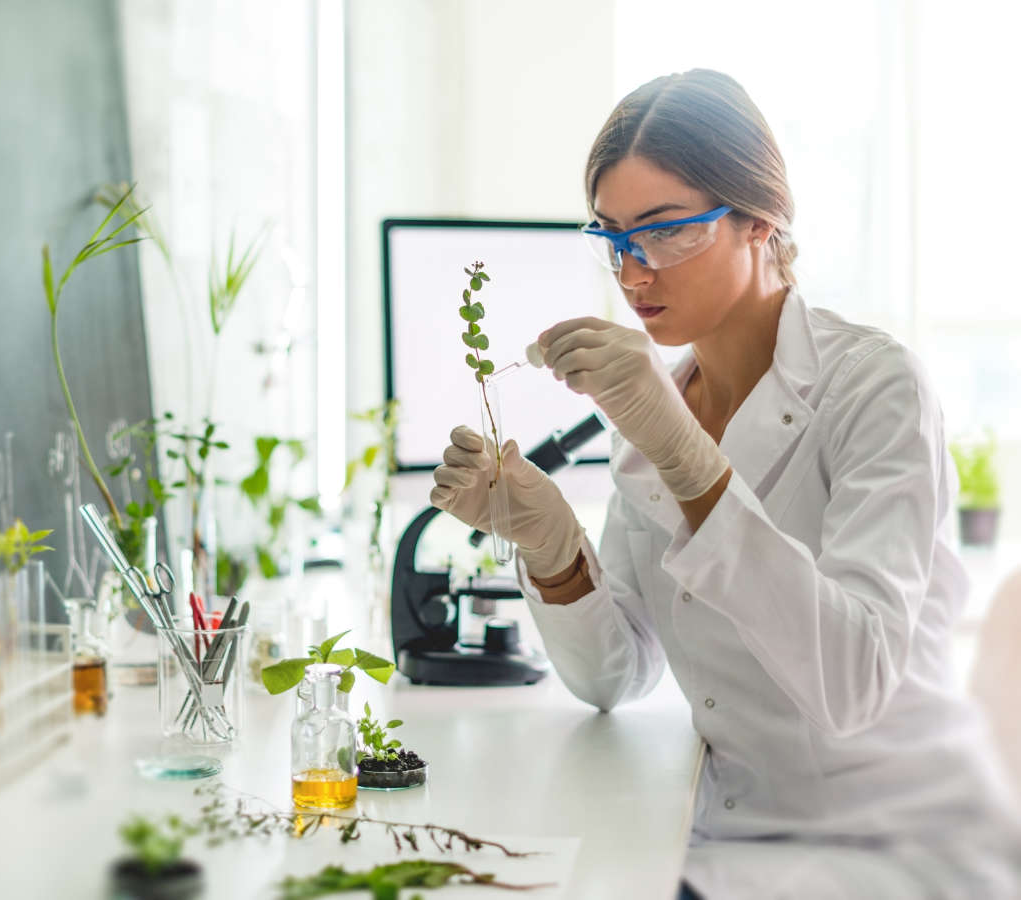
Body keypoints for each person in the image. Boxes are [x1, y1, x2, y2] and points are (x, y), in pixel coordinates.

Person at [430, 69, 1021, 899]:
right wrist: (554, 547)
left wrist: (689, 460)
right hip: (723, 823)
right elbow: (616, 677)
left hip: (889, 836)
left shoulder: (876, 388)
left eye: (667, 232)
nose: (634, 272)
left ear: (759, 220)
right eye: (613, 237)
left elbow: (851, 683)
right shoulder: (659, 406)